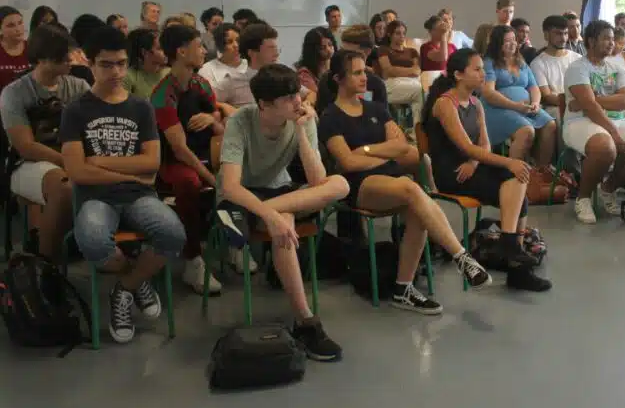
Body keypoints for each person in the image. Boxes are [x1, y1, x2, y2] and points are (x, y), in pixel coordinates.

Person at [320, 50, 493, 311]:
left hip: (389, 180)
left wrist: (366, 151)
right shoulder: (330, 117)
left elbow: (404, 147)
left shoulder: (376, 108)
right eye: (356, 72)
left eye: (365, 70)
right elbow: (347, 164)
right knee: (412, 189)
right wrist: (383, 153)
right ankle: (461, 257)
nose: (365, 77)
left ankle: (404, 288)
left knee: (415, 206)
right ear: (338, 79)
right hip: (357, 186)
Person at [61, 25, 186, 345]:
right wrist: (129, 174)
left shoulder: (140, 107)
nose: (115, 71)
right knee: (89, 238)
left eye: (121, 63)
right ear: (90, 64)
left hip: (139, 196)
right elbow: (77, 172)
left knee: (173, 234)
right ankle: (138, 280)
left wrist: (99, 162)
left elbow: (151, 163)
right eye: (106, 64)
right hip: (95, 197)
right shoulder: (75, 111)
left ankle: (125, 287)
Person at [217, 64, 349, 361]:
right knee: (284, 224)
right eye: (289, 98)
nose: (298, 102)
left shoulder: (301, 119)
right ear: (264, 104)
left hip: (277, 193)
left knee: (340, 184)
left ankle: (254, 217)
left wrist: (302, 131)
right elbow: (231, 187)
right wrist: (274, 214)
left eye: (297, 95)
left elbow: (317, 180)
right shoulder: (240, 122)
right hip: (241, 197)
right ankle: (305, 320)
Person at [422, 48, 550, 291]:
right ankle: (515, 262)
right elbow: (466, 146)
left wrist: (475, 163)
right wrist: (506, 161)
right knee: (515, 178)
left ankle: (511, 248)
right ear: (459, 75)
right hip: (452, 174)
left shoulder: (475, 103)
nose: (483, 74)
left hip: (471, 167)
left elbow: (484, 144)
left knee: (518, 177)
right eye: (477, 69)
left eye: (483, 68)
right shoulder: (444, 104)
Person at [0, 24, 89, 259]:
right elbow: (25, 146)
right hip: (29, 162)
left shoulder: (78, 87)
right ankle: (47, 264)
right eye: (64, 55)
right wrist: (68, 161)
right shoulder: (15, 93)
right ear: (44, 58)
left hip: (72, 156)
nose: (71, 59)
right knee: (64, 188)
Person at [151, 25, 228, 294]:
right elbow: (180, 150)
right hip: (172, 162)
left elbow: (219, 117)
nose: (204, 50)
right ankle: (193, 259)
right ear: (182, 52)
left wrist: (213, 118)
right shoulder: (163, 95)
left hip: (207, 153)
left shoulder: (200, 83)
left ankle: (233, 244)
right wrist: (212, 179)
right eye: (198, 45)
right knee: (190, 183)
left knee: (236, 173)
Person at [564, 20, 625, 224]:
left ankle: (609, 187)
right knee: (605, 148)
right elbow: (590, 110)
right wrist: (612, 131)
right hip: (580, 121)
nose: (612, 43)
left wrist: (590, 99)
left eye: (613, 39)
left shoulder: (616, 66)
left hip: (617, 120)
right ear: (591, 41)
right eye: (606, 39)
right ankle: (583, 199)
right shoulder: (577, 68)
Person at [480, 25, 557, 176]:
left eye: (514, 40)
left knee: (550, 125)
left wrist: (535, 103)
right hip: (497, 109)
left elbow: (534, 87)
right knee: (526, 131)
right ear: (497, 44)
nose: (512, 44)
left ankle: (540, 172)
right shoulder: (489, 62)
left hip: (524, 108)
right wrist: (515, 106)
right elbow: (488, 93)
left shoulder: (521, 62)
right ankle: (514, 176)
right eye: (506, 41)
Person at [325, 25, 387, 109]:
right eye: (342, 50)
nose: (342, 55)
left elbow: (383, 118)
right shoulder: (330, 79)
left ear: (367, 52)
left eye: (349, 53)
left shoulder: (376, 84)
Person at [530, 15, 582, 116]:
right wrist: (573, 103)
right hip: (555, 108)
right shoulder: (538, 63)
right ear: (546, 35)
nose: (563, 38)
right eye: (558, 34)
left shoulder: (578, 58)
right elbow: (547, 96)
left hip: (580, 104)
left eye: (566, 33)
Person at [219, 23, 279, 108]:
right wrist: (223, 106)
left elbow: (304, 94)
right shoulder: (232, 81)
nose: (276, 54)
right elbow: (211, 103)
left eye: (276, 48)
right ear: (252, 53)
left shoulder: (281, 76)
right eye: (271, 49)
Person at [377, 20, 424, 123]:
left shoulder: (412, 51)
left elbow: (417, 71)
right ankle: (418, 132)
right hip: (392, 84)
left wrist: (397, 70)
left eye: (403, 33)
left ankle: (416, 130)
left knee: (423, 93)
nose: (402, 36)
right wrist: (410, 71)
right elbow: (388, 70)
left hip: (413, 83)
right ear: (390, 34)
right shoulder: (383, 49)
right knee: (420, 92)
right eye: (398, 33)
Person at [199, 22, 247, 118]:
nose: (236, 45)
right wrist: (222, 106)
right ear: (220, 45)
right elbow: (203, 101)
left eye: (238, 40)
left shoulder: (251, 65)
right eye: (229, 42)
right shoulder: (207, 70)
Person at [295, 27, 335, 107]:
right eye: (322, 47)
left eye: (330, 45)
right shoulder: (304, 74)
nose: (328, 50)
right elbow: (318, 98)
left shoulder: (336, 64)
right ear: (313, 50)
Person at [124, 28, 168, 100]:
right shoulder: (128, 77)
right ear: (145, 52)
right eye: (160, 48)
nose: (166, 51)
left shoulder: (170, 73)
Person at [0, 6, 29, 92]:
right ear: (1, 29)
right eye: (11, 25)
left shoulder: (33, 47)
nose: (18, 29)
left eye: (20, 23)